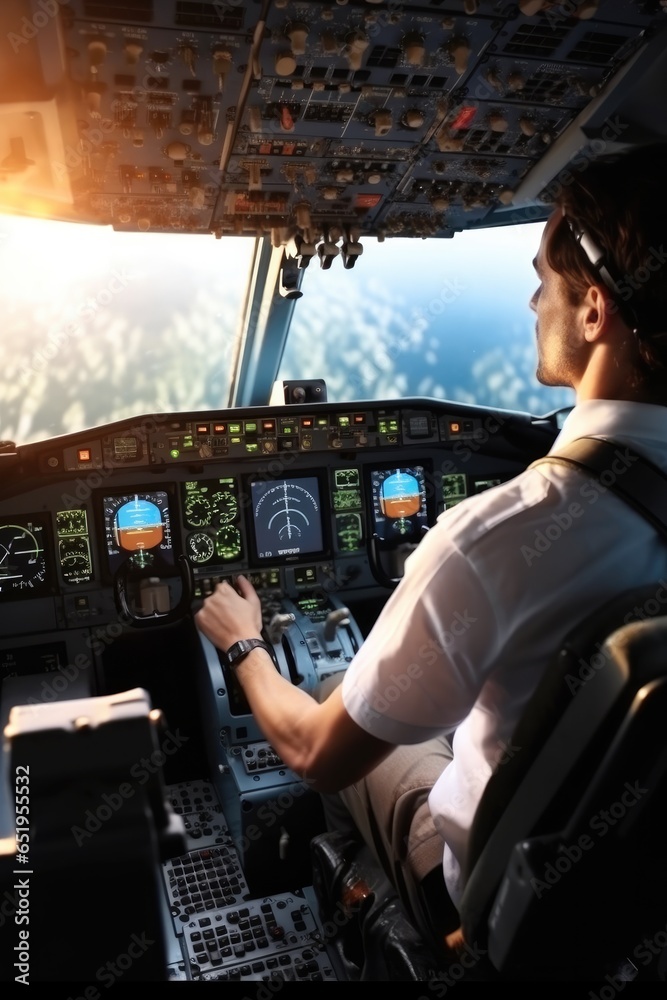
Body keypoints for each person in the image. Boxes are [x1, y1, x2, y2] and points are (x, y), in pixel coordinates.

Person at [195, 141, 667, 954]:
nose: (529, 301)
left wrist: (243, 648)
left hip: (499, 908)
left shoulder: (501, 533)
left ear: (593, 310)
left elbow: (315, 751)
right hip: (630, 897)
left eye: (541, 280)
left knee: (339, 690)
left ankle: (372, 915)